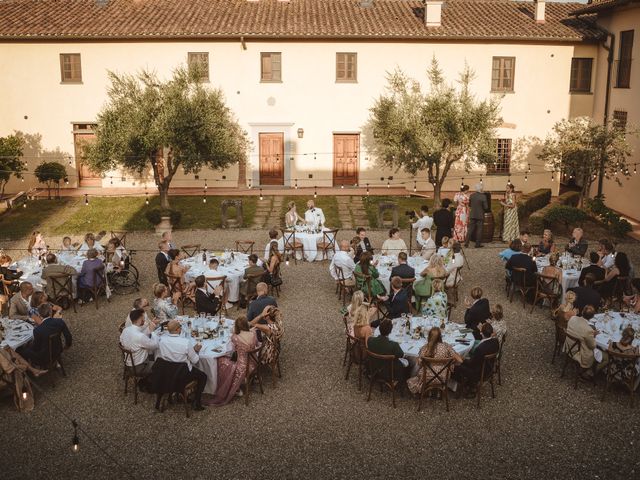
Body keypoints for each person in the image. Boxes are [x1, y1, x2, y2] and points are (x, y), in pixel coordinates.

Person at [205, 316, 259, 406]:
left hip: (243, 367)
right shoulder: (253, 333)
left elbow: (230, 351)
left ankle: (234, 388)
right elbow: (256, 344)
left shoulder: (235, 338)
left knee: (221, 361)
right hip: (254, 363)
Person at [157, 319, 207, 411]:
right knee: (203, 376)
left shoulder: (161, 340)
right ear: (177, 330)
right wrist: (196, 350)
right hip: (182, 374)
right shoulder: (185, 342)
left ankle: (176, 394)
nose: (181, 329)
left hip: (166, 372)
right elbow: (195, 360)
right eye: (180, 327)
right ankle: (197, 402)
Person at [407, 327, 463, 395]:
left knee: (417, 369)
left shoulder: (425, 348)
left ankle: (427, 390)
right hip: (443, 377)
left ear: (429, 336)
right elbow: (460, 361)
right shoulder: (446, 346)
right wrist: (451, 362)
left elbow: (419, 363)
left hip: (426, 377)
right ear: (440, 336)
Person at [17, 302, 72, 369]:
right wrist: (67, 346)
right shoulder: (60, 322)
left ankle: (28, 370)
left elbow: (36, 347)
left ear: (39, 315)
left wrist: (28, 347)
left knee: (20, 351)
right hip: (58, 350)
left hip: (43, 358)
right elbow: (68, 336)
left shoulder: (37, 330)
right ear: (50, 312)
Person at [452, 322, 499, 393]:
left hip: (478, 373)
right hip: (490, 368)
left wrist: (461, 359)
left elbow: (472, 364)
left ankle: (464, 384)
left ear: (481, 333)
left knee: (454, 365)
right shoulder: (496, 341)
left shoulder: (480, 349)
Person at [119, 308, 159, 376]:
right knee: (162, 365)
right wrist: (153, 332)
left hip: (128, 362)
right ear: (140, 319)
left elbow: (122, 341)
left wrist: (151, 324)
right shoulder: (139, 336)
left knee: (150, 352)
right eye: (143, 318)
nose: (144, 319)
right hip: (139, 367)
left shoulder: (125, 330)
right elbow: (155, 345)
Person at [564, 305, 597, 371]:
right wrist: (594, 335)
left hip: (568, 346)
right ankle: (589, 372)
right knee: (601, 355)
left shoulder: (572, 318)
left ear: (582, 312)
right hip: (578, 353)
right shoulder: (588, 330)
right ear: (592, 317)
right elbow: (592, 346)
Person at [466, 183, 488, 248]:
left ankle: (466, 243)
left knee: (470, 229)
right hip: (480, 215)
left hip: (472, 214)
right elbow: (486, 207)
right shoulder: (483, 196)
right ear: (481, 189)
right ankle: (477, 244)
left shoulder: (472, 195)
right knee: (479, 229)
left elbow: (469, 205)